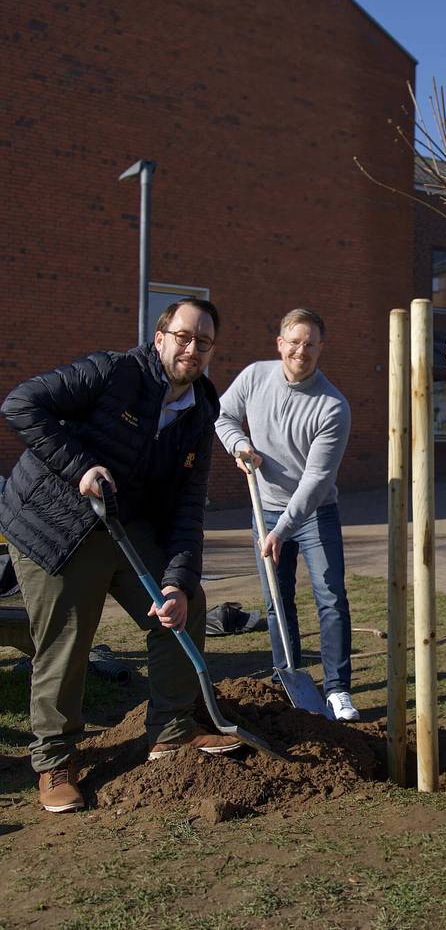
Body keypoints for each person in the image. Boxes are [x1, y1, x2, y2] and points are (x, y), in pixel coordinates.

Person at [0, 298, 240, 814]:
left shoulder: (202, 409)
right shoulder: (112, 372)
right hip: (53, 521)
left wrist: (175, 581)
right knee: (68, 637)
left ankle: (172, 730)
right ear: (160, 337)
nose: (192, 348)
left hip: (123, 525)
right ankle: (55, 760)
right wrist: (81, 467)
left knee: (185, 607)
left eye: (203, 341)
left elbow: (187, 507)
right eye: (183, 336)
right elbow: (21, 404)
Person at [214, 308, 359, 721]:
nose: (301, 351)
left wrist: (281, 530)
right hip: (265, 508)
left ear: (320, 349)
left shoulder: (333, 406)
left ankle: (337, 690)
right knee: (278, 600)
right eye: (294, 342)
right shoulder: (254, 377)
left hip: (315, 513)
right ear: (280, 344)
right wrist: (239, 445)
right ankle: (288, 677)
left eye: (310, 344)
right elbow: (222, 416)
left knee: (330, 597)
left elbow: (316, 481)